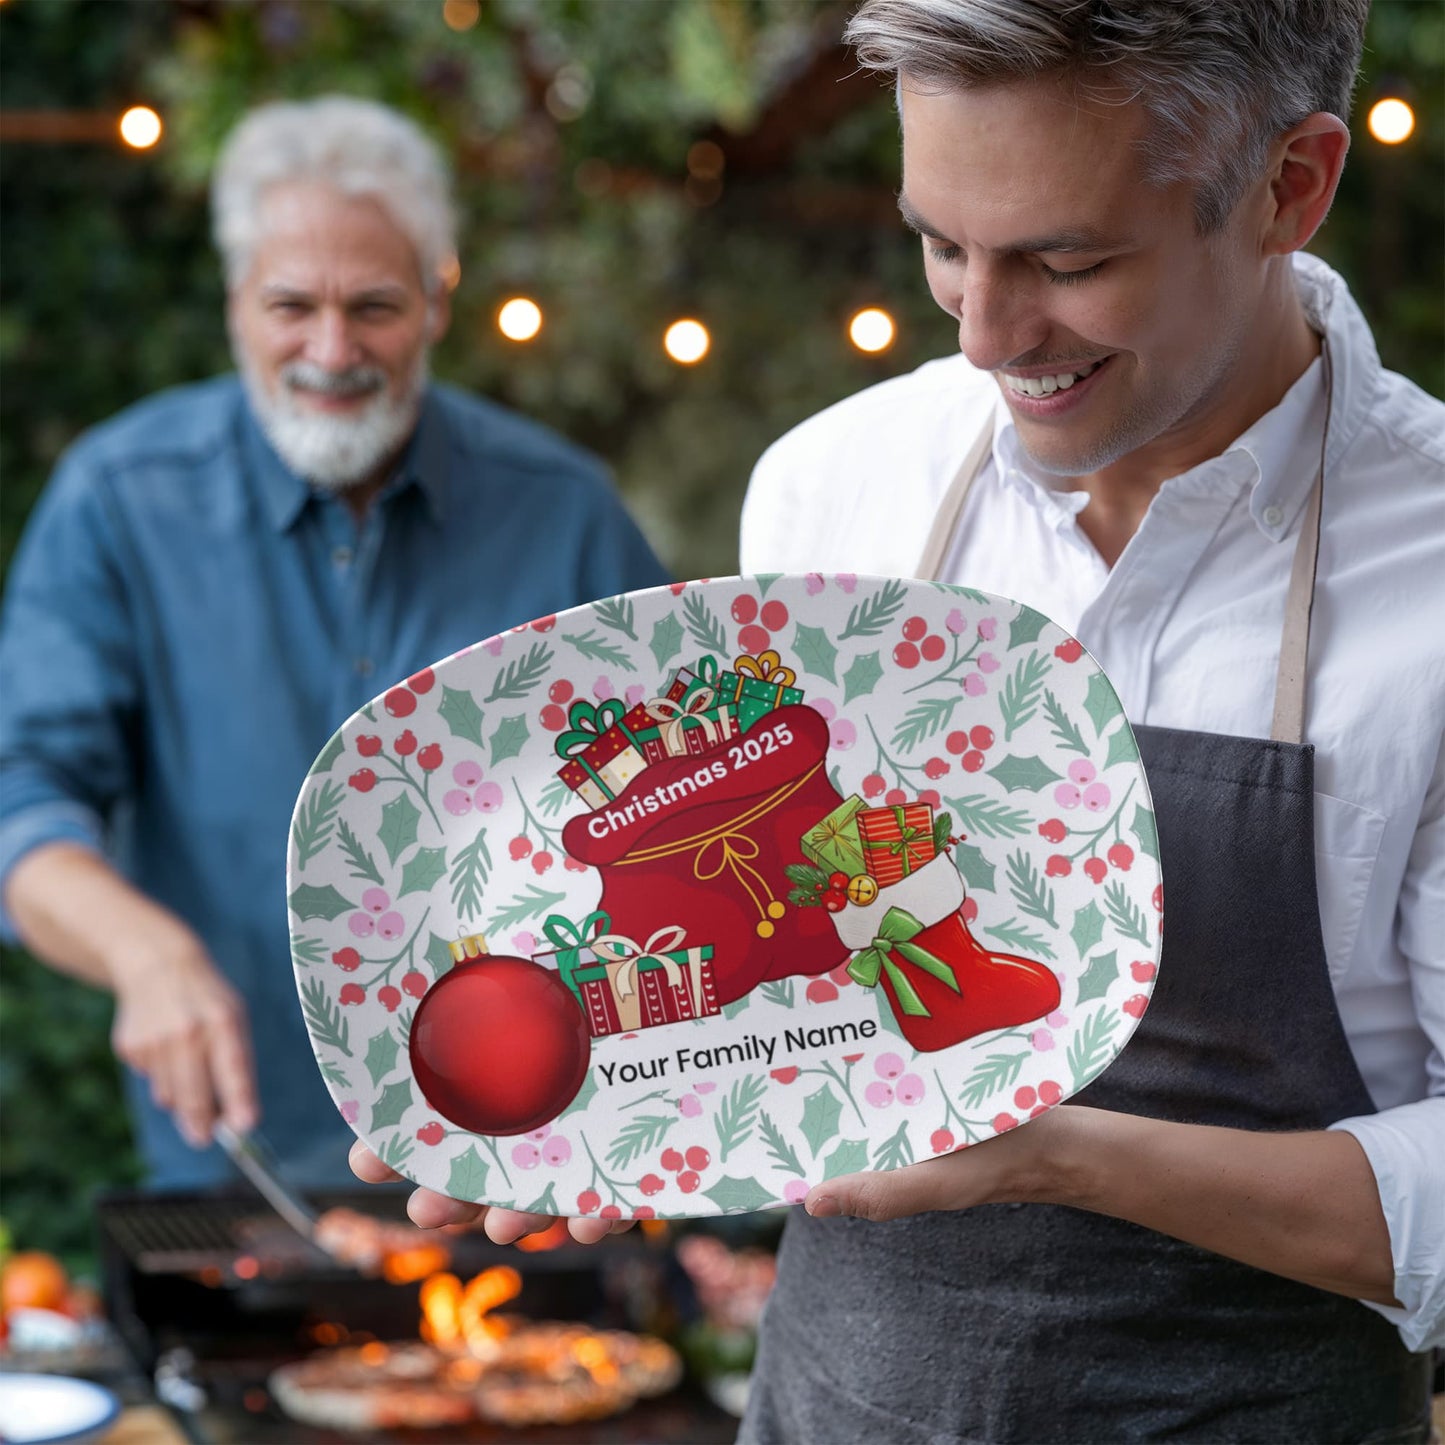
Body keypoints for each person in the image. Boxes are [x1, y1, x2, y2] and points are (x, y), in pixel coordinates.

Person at [355, 1, 1444, 1439]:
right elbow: (786, 1012)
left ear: (1289, 188)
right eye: (941, 244)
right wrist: (623, 1118)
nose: (989, 336)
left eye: (1068, 260)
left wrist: (1057, 1156)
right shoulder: (836, 485)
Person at [0, 96, 669, 1191]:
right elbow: (22, 800)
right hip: (234, 1169)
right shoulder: (119, 499)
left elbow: (675, 795)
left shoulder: (566, 512)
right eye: (289, 305)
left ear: (439, 300)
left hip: (530, 1154)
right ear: (233, 303)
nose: (331, 348)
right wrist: (142, 950)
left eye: (373, 306)